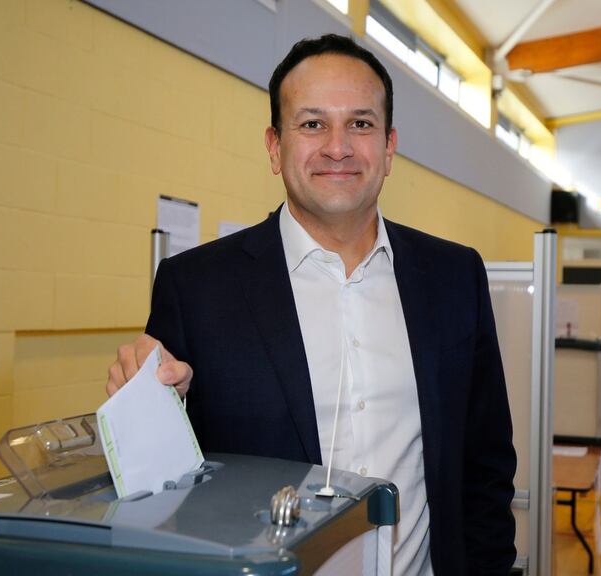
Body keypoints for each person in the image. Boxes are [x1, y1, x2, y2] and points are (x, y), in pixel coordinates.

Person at [105, 34, 517, 575]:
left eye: (361, 124)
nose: (338, 147)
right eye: (313, 123)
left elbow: (484, 465)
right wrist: (155, 405)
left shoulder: (453, 276)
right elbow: (160, 489)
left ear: (389, 147)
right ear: (275, 147)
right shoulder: (198, 287)